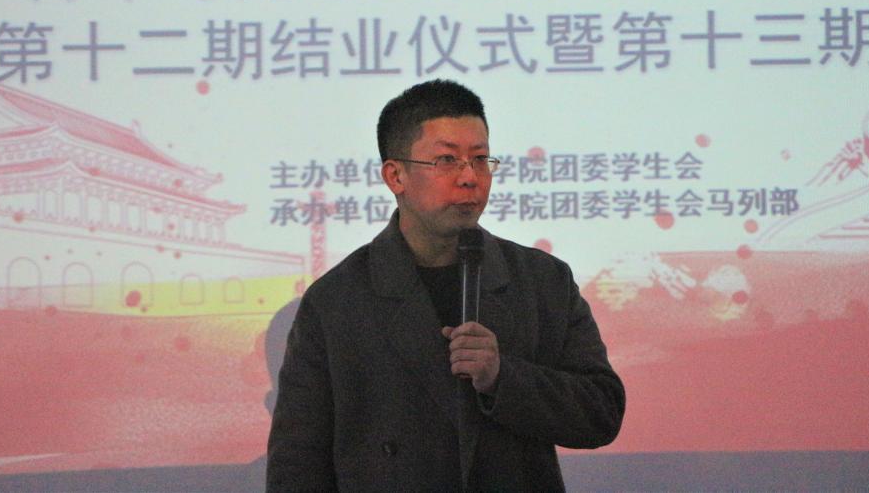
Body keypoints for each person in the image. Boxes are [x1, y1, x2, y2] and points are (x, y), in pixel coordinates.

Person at [266, 80, 624, 492]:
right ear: (395, 175)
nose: (470, 177)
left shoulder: (542, 280)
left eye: (480, 159)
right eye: (447, 160)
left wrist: (502, 378)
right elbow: (297, 464)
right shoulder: (336, 301)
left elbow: (601, 412)